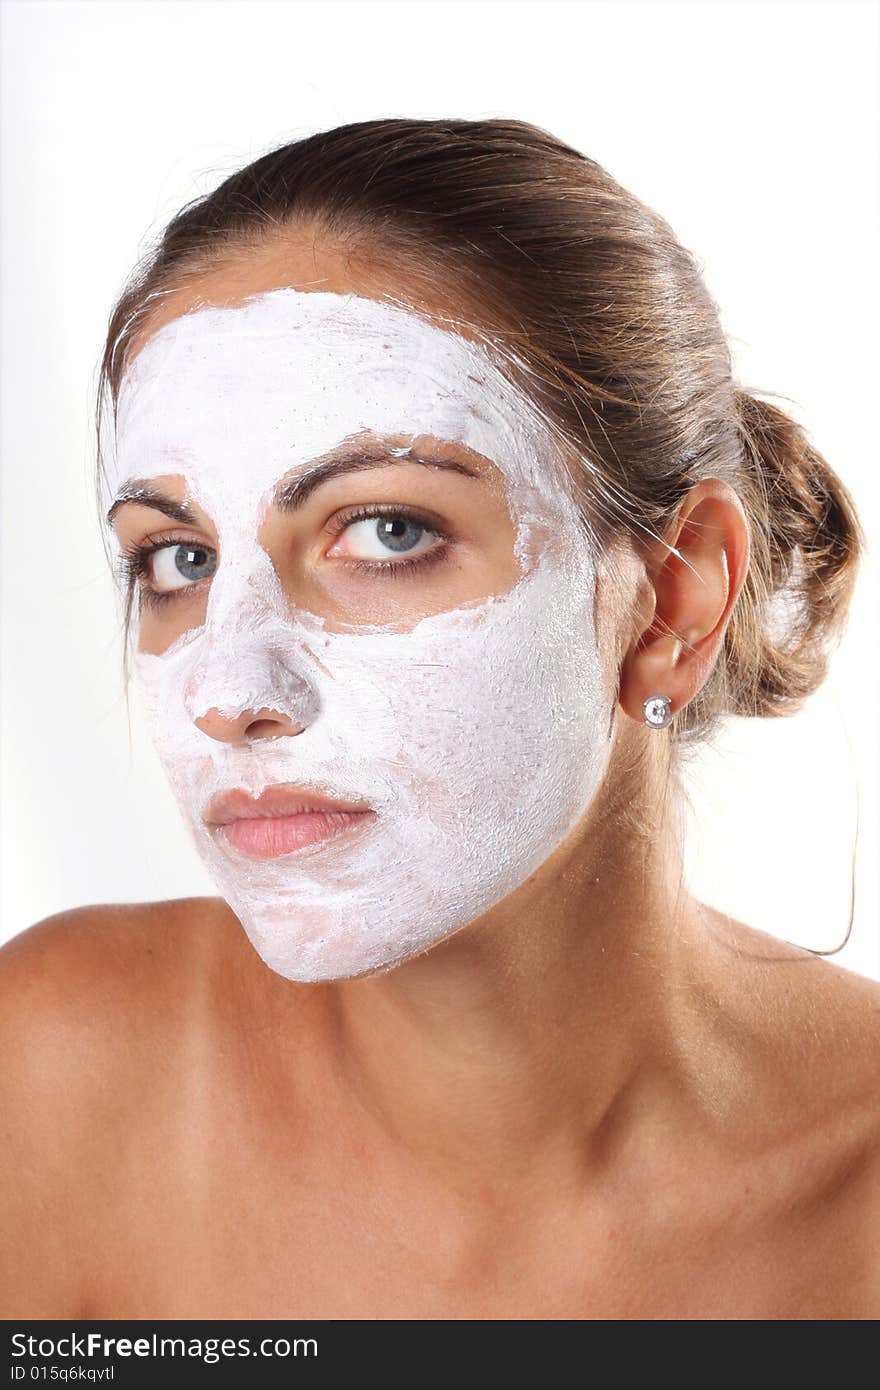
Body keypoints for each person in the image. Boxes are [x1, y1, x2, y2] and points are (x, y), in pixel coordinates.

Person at [1, 118, 877, 1321]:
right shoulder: (52, 1072)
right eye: (177, 557)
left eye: (386, 532)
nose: (227, 690)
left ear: (673, 599)